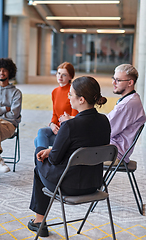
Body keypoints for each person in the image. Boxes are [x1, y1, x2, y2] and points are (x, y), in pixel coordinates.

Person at [28, 76, 110, 237]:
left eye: (71, 94)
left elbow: (54, 160)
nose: (68, 97)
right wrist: (52, 150)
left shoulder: (70, 125)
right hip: (94, 183)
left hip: (68, 186)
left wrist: (45, 149)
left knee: (39, 156)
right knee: (46, 152)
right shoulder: (104, 121)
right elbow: (90, 147)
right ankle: (39, 221)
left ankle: (39, 221)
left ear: (81, 99)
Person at [104, 64, 146, 165]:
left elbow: (106, 130)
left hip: (113, 154)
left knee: (75, 151)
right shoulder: (132, 98)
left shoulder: (127, 105)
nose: (113, 83)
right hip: (114, 149)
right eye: (113, 78)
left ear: (130, 83)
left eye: (118, 80)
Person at [34, 62, 78, 148]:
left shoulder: (73, 92)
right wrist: (52, 124)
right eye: (58, 73)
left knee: (38, 140)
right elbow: (54, 114)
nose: (60, 77)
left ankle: (44, 160)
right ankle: (46, 160)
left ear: (70, 77)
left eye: (64, 75)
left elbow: (74, 117)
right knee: (41, 133)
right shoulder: (55, 92)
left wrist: (61, 127)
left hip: (67, 131)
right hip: (56, 129)